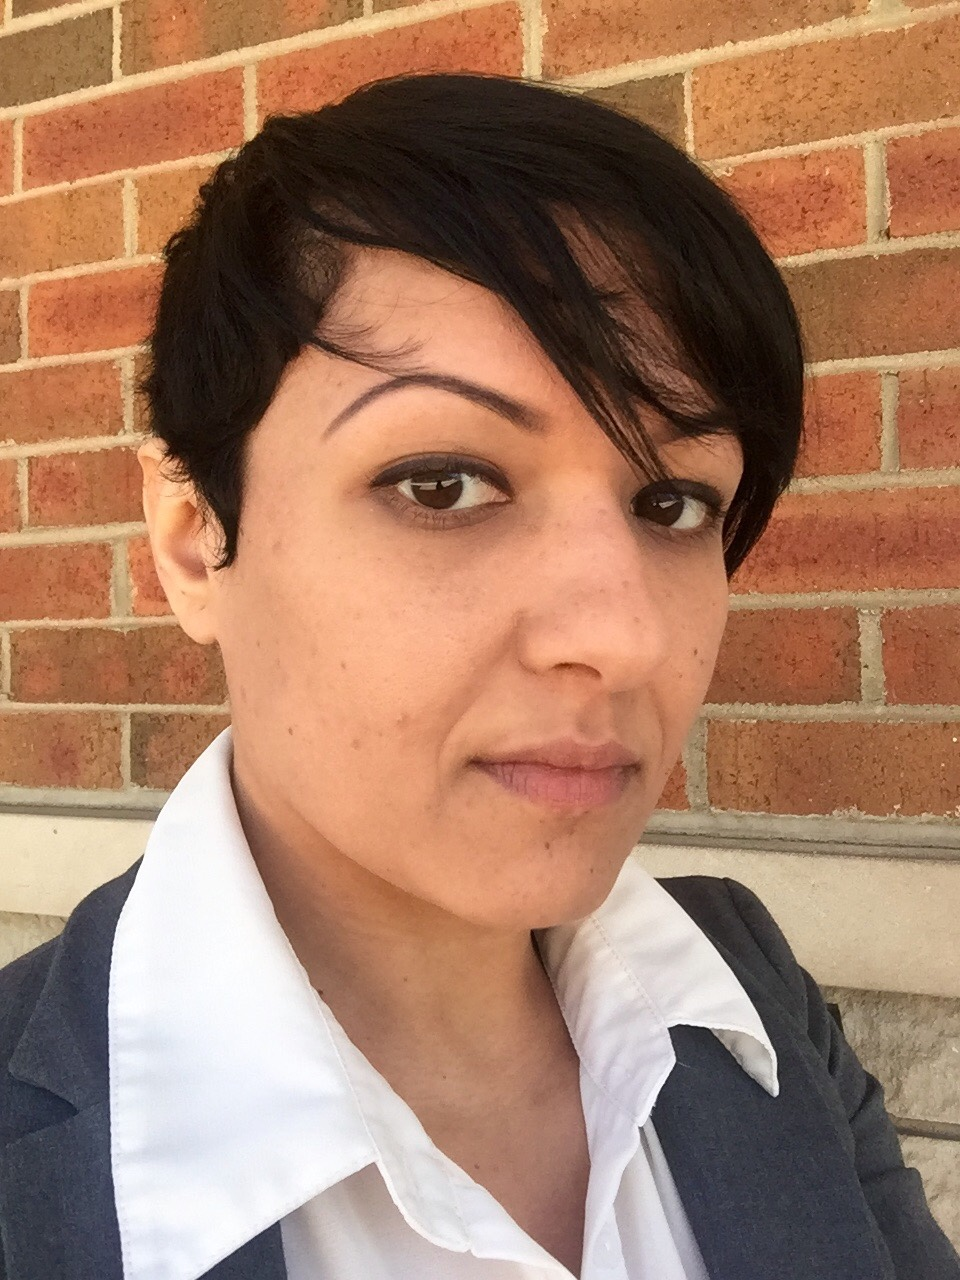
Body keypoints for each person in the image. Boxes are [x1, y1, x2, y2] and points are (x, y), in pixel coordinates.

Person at [0, 71, 956, 1280]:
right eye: (442, 484)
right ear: (195, 537)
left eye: (674, 501)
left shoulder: (747, 997)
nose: (622, 637)